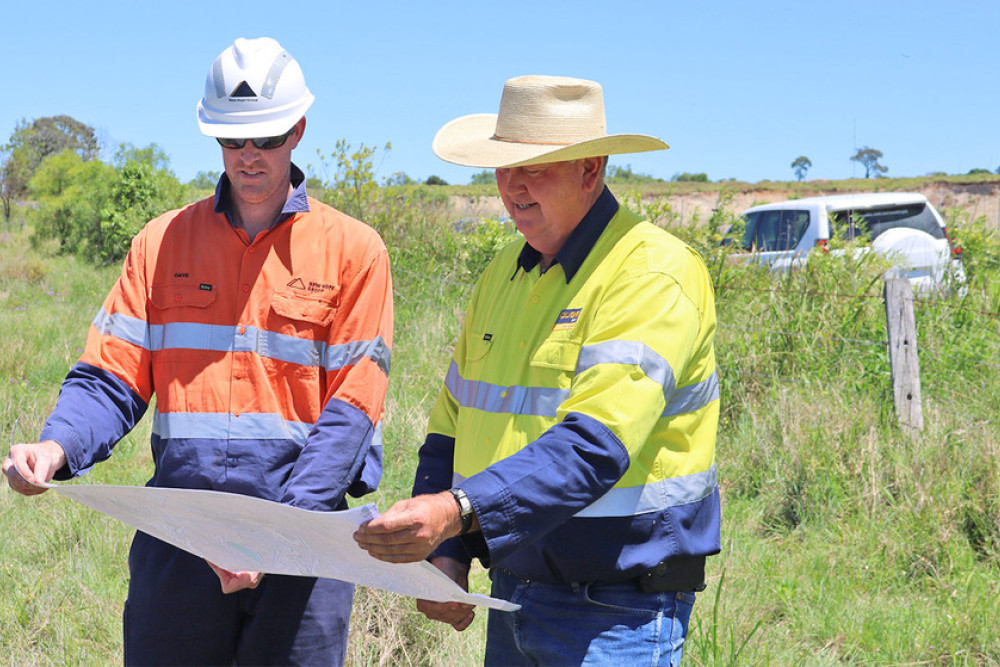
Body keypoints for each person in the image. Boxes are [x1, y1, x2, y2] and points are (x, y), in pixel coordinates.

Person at [3, 37, 393, 665]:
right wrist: (56, 447)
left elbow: (352, 408)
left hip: (302, 542)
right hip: (181, 540)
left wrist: (274, 541)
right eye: (233, 140)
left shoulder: (354, 251)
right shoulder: (161, 244)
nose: (249, 157)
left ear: (297, 130)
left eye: (265, 138)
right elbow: (112, 375)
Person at [354, 75, 721, 666]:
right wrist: (448, 549)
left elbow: (593, 447)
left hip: (618, 613)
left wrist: (454, 513)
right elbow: (455, 421)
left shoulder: (651, 273)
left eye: (536, 167)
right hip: (516, 595)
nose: (513, 186)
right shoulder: (506, 269)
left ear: (591, 169)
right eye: (502, 166)